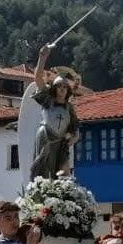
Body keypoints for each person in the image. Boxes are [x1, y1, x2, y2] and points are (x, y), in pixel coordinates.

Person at [29, 45, 80, 179]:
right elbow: (38, 79)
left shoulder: (69, 108)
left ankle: (63, 195)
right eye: (59, 87)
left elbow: (75, 129)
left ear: (68, 90)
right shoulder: (48, 99)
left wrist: (71, 139)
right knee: (44, 170)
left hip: (61, 142)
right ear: (55, 88)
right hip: (45, 136)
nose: (62, 89)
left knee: (62, 172)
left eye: (64, 87)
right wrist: (42, 57)